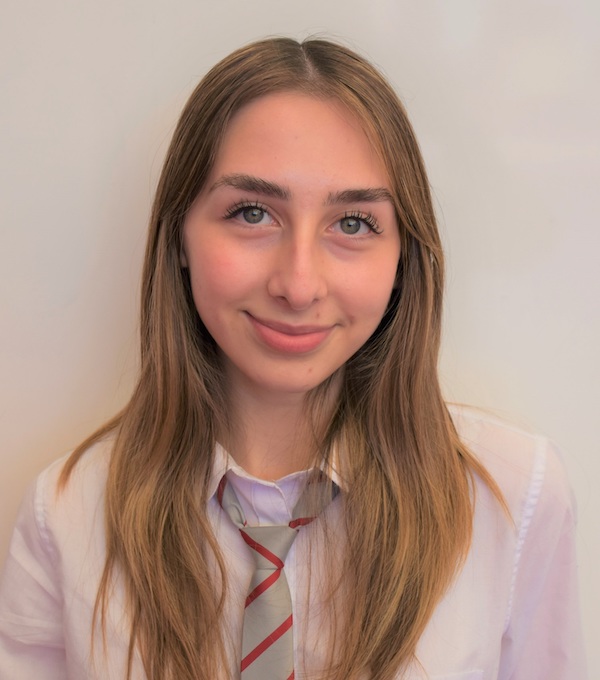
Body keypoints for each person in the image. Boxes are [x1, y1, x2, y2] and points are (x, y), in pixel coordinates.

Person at [0, 37, 586, 680]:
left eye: (354, 223)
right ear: (180, 238)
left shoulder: (516, 496)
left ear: (403, 258)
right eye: (253, 213)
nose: (299, 285)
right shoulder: (65, 515)